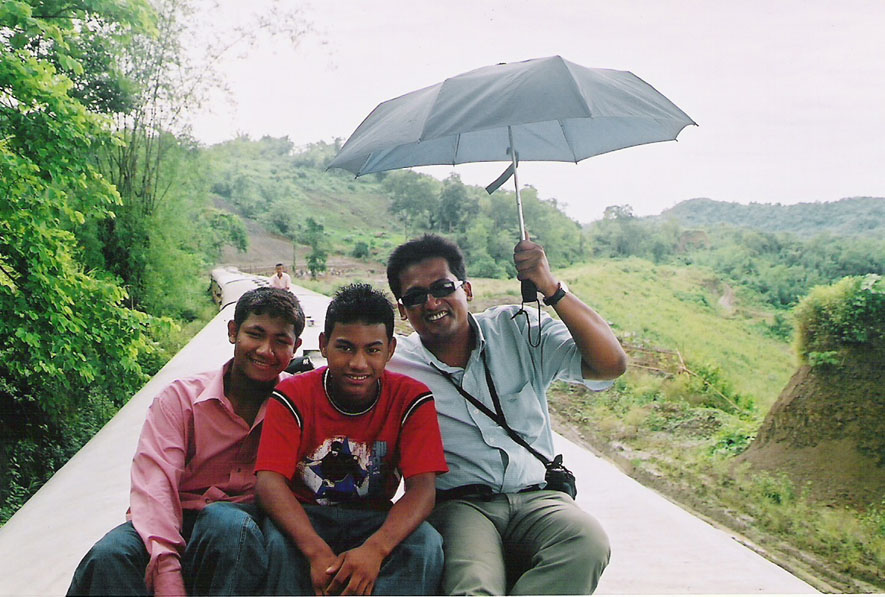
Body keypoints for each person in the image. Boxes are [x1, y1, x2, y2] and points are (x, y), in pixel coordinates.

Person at [385, 233, 628, 595]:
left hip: (540, 496)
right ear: (403, 310)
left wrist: (551, 288)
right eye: (416, 297)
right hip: (461, 505)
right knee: (473, 585)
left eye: (442, 287)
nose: (432, 302)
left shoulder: (518, 329)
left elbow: (610, 364)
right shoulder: (395, 363)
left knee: (587, 543)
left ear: (466, 290)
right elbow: (338, 372)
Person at [67, 287, 306, 596]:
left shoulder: (297, 403)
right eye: (255, 334)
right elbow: (155, 487)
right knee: (109, 556)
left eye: (280, 341)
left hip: (243, 530)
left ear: (296, 347)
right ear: (233, 331)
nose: (265, 350)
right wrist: (166, 568)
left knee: (229, 528)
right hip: (175, 518)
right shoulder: (181, 400)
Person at [255, 283, 447, 596]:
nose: (358, 363)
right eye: (345, 347)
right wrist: (317, 553)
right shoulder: (291, 395)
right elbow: (269, 483)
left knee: (426, 543)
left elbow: (422, 490)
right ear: (324, 344)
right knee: (276, 541)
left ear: (390, 350)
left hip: (372, 519)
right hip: (305, 517)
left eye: (372, 350)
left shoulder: (413, 399)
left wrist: (376, 550)